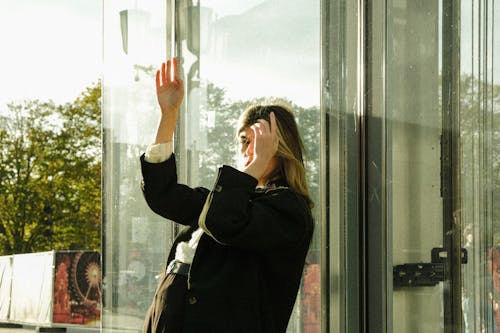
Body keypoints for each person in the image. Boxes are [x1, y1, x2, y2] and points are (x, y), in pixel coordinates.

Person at [139, 57, 314, 333]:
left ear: (281, 147)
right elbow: (164, 196)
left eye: (259, 142)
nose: (249, 150)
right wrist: (168, 117)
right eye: (244, 141)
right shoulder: (231, 201)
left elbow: (226, 222)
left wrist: (254, 166)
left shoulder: (288, 212)